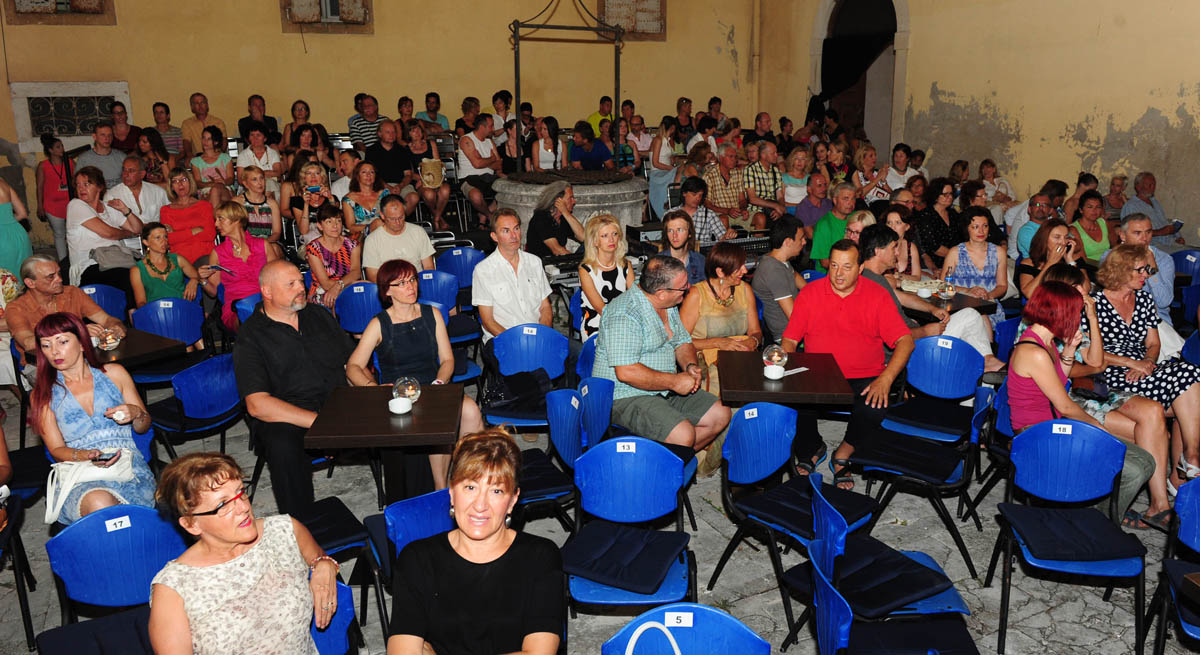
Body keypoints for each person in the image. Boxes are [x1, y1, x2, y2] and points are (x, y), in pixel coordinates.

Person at [1007, 281, 1171, 528]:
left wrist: (1070, 349)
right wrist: (1100, 431)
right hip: (1038, 436)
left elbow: (1061, 380)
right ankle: (1098, 521)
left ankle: (1097, 513)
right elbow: (1067, 406)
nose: (1078, 317)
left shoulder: (1046, 342)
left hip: (1054, 426)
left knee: (1145, 461)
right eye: (1076, 312)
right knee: (1134, 469)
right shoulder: (1034, 352)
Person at [386, 429, 563, 655]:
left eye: (496, 491)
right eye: (470, 487)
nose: (480, 505)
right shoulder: (417, 559)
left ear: (512, 501)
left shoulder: (541, 557)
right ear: (451, 491)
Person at [149, 453, 337, 655]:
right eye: (223, 504)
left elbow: (320, 558)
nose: (243, 507)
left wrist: (324, 565)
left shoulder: (284, 530)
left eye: (240, 492)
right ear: (191, 524)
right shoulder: (173, 589)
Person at [781, 240, 914, 489]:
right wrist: (787, 362)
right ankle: (812, 447)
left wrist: (886, 378)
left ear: (860, 268)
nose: (839, 274)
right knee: (792, 396)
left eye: (846, 267)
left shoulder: (876, 296)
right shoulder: (810, 293)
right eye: (833, 266)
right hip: (820, 372)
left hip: (865, 375)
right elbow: (790, 339)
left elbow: (905, 341)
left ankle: (845, 452)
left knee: (874, 404)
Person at [346, 260, 485, 489]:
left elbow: (448, 360)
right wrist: (372, 388)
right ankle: (442, 488)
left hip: (433, 384)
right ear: (387, 290)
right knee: (432, 422)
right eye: (401, 283)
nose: (410, 286)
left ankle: (471, 477)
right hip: (400, 394)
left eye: (412, 279)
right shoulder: (379, 323)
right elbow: (353, 366)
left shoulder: (432, 314)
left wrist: (440, 382)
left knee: (471, 410)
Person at [234, 260, 353, 514]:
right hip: (289, 415)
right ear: (267, 291)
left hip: (337, 403)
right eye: (291, 284)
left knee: (397, 417)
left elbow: (350, 362)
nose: (301, 287)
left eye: (301, 281)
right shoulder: (251, 336)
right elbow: (257, 404)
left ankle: (406, 506)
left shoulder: (317, 315)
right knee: (282, 445)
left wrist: (375, 390)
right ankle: (301, 525)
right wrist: (320, 423)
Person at [591, 255, 731, 451]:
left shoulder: (668, 304)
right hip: (625, 396)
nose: (688, 287)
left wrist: (690, 366)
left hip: (663, 387)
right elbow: (626, 372)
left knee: (721, 413)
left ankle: (668, 464)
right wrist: (674, 382)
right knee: (684, 435)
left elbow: (682, 341)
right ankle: (658, 470)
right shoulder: (624, 314)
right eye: (683, 287)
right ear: (662, 293)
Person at [1090, 244, 1200, 490]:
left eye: (1147, 270)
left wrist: (1148, 362)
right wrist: (1132, 363)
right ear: (1120, 270)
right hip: (1107, 373)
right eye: (1141, 270)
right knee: (1187, 397)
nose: (1146, 276)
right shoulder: (1094, 303)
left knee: (1191, 373)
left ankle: (1190, 457)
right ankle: (1181, 472)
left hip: (1144, 369)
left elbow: (1153, 342)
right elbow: (1089, 354)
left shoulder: (1143, 299)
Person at [30, 312, 155, 524]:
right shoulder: (43, 393)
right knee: (99, 501)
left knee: (107, 509)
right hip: (81, 473)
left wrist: (136, 413)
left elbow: (144, 427)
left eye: (62, 342)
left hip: (127, 468)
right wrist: (86, 455)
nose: (54, 352)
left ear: (81, 343)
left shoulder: (114, 373)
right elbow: (56, 450)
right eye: (46, 345)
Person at [859, 224, 1002, 371]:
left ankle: (985, 367)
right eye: (893, 247)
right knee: (971, 316)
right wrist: (925, 331)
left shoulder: (875, 278)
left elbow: (904, 298)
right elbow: (892, 338)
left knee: (971, 321)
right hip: (910, 350)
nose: (897, 252)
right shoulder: (871, 286)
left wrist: (932, 308)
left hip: (915, 338)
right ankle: (987, 364)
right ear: (878, 251)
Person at [680, 242, 763, 395]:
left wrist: (753, 341)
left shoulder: (744, 289)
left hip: (739, 358)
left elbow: (755, 331)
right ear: (720, 272)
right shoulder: (696, 295)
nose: (744, 271)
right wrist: (719, 343)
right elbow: (680, 342)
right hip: (706, 363)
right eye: (738, 268)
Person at [8, 254, 126, 355]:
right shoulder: (16, 308)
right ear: (30, 283)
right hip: (40, 364)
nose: (59, 279)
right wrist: (77, 331)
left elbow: (107, 319)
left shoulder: (72, 293)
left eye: (59, 273)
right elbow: (28, 343)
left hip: (77, 357)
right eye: (51, 277)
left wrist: (115, 328)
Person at [472, 210, 552, 347]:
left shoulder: (534, 262)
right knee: (536, 368)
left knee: (576, 354)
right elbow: (488, 321)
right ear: (494, 236)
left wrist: (542, 335)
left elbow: (545, 307)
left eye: (516, 228)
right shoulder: (484, 270)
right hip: (503, 340)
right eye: (506, 231)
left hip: (537, 337)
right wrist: (518, 343)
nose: (514, 236)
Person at [200, 202, 278, 331]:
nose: (216, 224)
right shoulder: (218, 253)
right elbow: (213, 291)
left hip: (265, 301)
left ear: (235, 219)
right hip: (237, 308)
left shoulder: (262, 245)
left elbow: (278, 278)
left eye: (220, 219)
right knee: (251, 318)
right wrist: (202, 279)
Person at [66, 165, 143, 296]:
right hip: (90, 264)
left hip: (117, 260)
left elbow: (138, 229)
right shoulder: (76, 205)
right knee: (128, 277)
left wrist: (125, 210)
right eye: (78, 185)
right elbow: (108, 233)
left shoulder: (108, 207)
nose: (81, 188)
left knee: (146, 273)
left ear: (99, 187)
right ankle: (132, 313)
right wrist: (127, 234)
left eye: (86, 184)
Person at [941, 207, 1008, 325]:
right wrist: (968, 291)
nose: (981, 231)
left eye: (985, 226)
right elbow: (943, 284)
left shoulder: (999, 252)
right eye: (975, 227)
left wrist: (988, 295)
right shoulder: (955, 252)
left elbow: (1002, 286)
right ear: (967, 229)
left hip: (989, 307)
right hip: (961, 306)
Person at [1105, 212, 1175, 325]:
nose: (1144, 238)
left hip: (1157, 321)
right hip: (1119, 318)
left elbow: (1164, 302)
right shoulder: (1110, 257)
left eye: (1148, 232)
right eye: (1137, 233)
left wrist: (1152, 266)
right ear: (1123, 235)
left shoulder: (1164, 260)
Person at [578, 214, 635, 340]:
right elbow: (601, 309)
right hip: (597, 325)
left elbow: (635, 300)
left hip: (626, 323)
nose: (611, 239)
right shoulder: (586, 270)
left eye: (614, 234)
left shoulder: (626, 265)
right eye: (604, 236)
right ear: (595, 241)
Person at [752, 217, 807, 343]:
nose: (804, 242)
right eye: (801, 238)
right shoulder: (773, 270)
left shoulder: (779, 260)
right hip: (787, 337)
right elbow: (794, 317)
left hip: (795, 328)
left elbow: (801, 282)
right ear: (788, 241)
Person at [362, 195, 435, 280]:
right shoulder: (372, 240)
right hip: (388, 286)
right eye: (392, 219)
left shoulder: (418, 232)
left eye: (401, 217)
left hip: (416, 283)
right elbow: (373, 276)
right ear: (382, 215)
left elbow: (428, 267)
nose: (398, 222)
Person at [131, 222, 199, 307]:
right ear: (146, 242)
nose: (164, 241)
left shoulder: (178, 259)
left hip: (182, 310)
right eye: (158, 238)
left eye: (165, 237)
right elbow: (141, 302)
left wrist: (194, 280)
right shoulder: (137, 270)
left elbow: (198, 276)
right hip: (156, 313)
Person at [305, 205, 361, 308]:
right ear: (320, 226)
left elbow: (356, 272)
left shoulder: (353, 245)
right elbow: (325, 283)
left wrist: (339, 285)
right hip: (322, 291)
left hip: (347, 288)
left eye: (338, 221)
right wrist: (345, 288)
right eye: (329, 222)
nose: (335, 226)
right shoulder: (313, 248)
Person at [160, 168, 216, 267]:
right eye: (175, 181)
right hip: (179, 260)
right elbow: (169, 239)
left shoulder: (204, 206)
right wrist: (194, 230)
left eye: (184, 180)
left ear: (191, 183)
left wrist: (178, 234)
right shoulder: (166, 210)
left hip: (204, 256)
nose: (180, 184)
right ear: (171, 187)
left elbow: (209, 234)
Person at [403, 119, 452, 230]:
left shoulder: (431, 144)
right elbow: (410, 173)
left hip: (436, 178)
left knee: (445, 190)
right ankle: (439, 218)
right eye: (413, 130)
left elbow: (437, 163)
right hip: (420, 180)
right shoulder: (406, 149)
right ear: (408, 133)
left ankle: (436, 218)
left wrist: (436, 177)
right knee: (429, 195)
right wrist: (424, 179)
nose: (417, 132)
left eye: (418, 128)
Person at [1121, 171, 1186, 252]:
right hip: (1153, 247)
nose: (1153, 187)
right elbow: (1132, 233)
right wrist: (1161, 232)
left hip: (1171, 243)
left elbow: (1164, 221)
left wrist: (1178, 237)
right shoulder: (1131, 206)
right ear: (1138, 187)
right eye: (1149, 185)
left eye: (1154, 185)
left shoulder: (1154, 202)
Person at [457, 114, 502, 225]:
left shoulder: (490, 142)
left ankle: (484, 214)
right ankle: (489, 215)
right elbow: (477, 164)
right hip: (469, 178)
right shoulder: (466, 140)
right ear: (482, 127)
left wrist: (483, 160)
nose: (493, 129)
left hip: (489, 178)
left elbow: (499, 165)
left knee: (508, 190)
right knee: (475, 196)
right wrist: (491, 159)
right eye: (491, 126)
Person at [1016, 219, 1078, 299]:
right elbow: (1029, 294)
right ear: (1044, 239)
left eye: (1066, 237)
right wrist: (1050, 263)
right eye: (1057, 237)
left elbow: (1083, 289)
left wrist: (1070, 260)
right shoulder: (1029, 263)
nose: (1063, 242)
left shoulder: (1071, 260)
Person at [1006, 179, 1067, 260]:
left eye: (1045, 205)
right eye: (1038, 205)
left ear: (1050, 209)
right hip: (1021, 257)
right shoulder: (1027, 226)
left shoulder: (1050, 220)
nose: (1041, 207)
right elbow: (1040, 254)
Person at [35, 133, 73, 262]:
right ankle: (63, 261)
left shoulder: (69, 162)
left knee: (73, 233)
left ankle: (74, 258)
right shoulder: (43, 166)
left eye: (62, 146)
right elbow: (39, 187)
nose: (62, 149)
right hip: (52, 206)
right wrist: (40, 206)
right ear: (51, 150)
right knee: (59, 234)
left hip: (70, 204)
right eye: (58, 147)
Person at [366, 120, 418, 213]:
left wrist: (400, 186)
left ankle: (399, 221)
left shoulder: (402, 150)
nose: (391, 135)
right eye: (388, 132)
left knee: (413, 197)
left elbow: (408, 174)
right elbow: (371, 175)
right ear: (380, 134)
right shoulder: (371, 151)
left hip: (401, 185)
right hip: (380, 186)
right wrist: (388, 187)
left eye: (394, 132)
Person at [107, 155, 169, 233]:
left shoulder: (158, 192)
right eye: (124, 170)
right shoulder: (112, 195)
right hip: (127, 241)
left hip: (157, 239)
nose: (125, 174)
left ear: (142, 174)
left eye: (131, 171)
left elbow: (170, 219)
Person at [525, 182, 585, 259]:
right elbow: (557, 250)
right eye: (571, 198)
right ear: (558, 200)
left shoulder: (563, 218)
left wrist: (566, 213)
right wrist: (579, 263)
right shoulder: (541, 217)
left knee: (590, 246)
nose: (574, 201)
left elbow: (583, 237)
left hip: (557, 262)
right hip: (541, 263)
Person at [669, 176, 735, 243]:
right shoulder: (671, 214)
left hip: (702, 251)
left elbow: (722, 238)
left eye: (700, 195)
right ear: (684, 193)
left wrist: (728, 235)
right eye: (694, 194)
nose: (698, 198)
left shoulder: (709, 214)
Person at [914, 176, 959, 270]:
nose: (949, 197)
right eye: (945, 194)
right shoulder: (926, 215)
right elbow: (933, 246)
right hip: (935, 263)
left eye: (951, 194)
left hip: (955, 259)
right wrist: (957, 257)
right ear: (935, 196)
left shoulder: (953, 214)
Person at [810, 182, 856, 272]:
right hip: (829, 274)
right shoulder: (824, 225)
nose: (850, 203)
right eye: (846, 199)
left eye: (853, 198)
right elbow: (825, 262)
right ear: (835, 200)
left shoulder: (856, 218)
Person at [702, 144, 750, 230]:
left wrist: (743, 209)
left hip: (737, 213)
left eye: (735, 157)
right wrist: (727, 211)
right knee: (724, 219)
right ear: (721, 158)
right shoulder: (709, 175)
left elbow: (742, 200)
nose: (734, 160)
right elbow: (707, 204)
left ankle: (755, 243)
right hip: (719, 213)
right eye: (730, 157)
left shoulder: (738, 173)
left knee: (760, 217)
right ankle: (723, 244)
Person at [288, 161, 335, 248]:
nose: (313, 176)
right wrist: (306, 204)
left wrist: (330, 199)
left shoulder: (331, 198)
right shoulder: (297, 201)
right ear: (304, 178)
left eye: (317, 173)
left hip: (332, 239)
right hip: (309, 243)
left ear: (322, 177)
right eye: (309, 173)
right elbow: (303, 231)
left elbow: (336, 223)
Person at [234, 165, 283, 244]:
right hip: (245, 244)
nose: (260, 183)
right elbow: (234, 231)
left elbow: (276, 233)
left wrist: (263, 244)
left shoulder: (272, 203)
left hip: (268, 243)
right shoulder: (238, 202)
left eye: (262, 178)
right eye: (254, 179)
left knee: (274, 250)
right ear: (246, 184)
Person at [341, 161, 390, 239]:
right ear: (357, 176)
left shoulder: (384, 194)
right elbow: (350, 227)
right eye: (364, 172)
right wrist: (370, 227)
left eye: (372, 172)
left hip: (385, 234)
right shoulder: (348, 199)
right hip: (361, 237)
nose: (368, 175)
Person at [1067, 189, 1117, 261]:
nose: (1094, 210)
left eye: (1098, 207)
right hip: (1089, 268)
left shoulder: (1104, 223)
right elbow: (1081, 259)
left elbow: (1116, 247)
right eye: (1090, 207)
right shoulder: (1073, 229)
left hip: (1109, 266)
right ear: (1081, 210)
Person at [189, 125, 233, 205]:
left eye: (209, 139)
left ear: (216, 142)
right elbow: (197, 182)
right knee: (214, 192)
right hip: (206, 190)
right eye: (203, 138)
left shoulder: (225, 158)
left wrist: (222, 182)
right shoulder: (196, 161)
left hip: (224, 188)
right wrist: (212, 184)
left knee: (216, 190)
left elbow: (231, 179)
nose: (205, 141)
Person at [237, 122, 283, 198]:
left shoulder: (272, 153)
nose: (255, 138)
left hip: (272, 188)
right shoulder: (243, 155)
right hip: (249, 187)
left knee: (269, 184)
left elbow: (278, 173)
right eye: (252, 135)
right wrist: (267, 174)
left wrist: (254, 175)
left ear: (265, 138)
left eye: (258, 135)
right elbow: (240, 179)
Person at [744, 142, 784, 229]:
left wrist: (779, 209)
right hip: (756, 210)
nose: (776, 155)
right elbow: (752, 199)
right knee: (764, 219)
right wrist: (775, 206)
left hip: (772, 210)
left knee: (792, 223)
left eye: (776, 153)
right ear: (763, 155)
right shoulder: (750, 169)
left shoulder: (776, 170)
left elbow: (780, 196)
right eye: (773, 153)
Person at [659, 209, 706, 284]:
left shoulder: (700, 261)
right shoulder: (658, 263)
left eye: (679, 230)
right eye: (670, 230)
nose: (674, 235)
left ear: (689, 233)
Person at [0, 175, 31, 285]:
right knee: (23, 282)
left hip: (2, 241)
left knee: (5, 290)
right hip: (18, 235)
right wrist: (7, 222)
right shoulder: (3, 181)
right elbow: (22, 214)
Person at [74, 121, 125, 189]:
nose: (107, 138)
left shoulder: (122, 157)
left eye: (110, 135)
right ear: (94, 136)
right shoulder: (84, 159)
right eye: (103, 135)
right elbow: (77, 184)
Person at [648, 116, 679, 220]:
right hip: (658, 173)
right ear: (673, 128)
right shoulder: (658, 140)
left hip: (665, 171)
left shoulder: (668, 141)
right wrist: (670, 168)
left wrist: (673, 162)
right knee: (679, 171)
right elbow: (655, 162)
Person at [180, 92, 227, 160]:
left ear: (207, 105)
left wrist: (218, 156)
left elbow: (223, 141)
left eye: (202, 102)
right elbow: (186, 142)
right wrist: (190, 155)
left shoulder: (218, 122)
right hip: (197, 158)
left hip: (216, 156)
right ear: (192, 107)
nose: (200, 105)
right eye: (196, 103)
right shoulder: (187, 123)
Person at [881, 203, 922, 280]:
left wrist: (898, 276)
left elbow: (917, 278)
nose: (892, 227)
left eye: (898, 223)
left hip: (908, 290)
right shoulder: (880, 246)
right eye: (889, 223)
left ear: (907, 226)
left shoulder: (911, 247)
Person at [793, 172, 832, 238]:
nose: (824, 189)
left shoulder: (829, 203)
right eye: (819, 185)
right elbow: (811, 235)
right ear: (809, 189)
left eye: (825, 185)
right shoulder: (802, 208)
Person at [781, 147, 811, 214]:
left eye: (803, 159)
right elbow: (781, 201)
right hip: (790, 210)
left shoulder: (809, 177)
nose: (799, 161)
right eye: (797, 158)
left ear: (806, 162)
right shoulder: (783, 177)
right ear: (792, 160)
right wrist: (798, 206)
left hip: (807, 210)